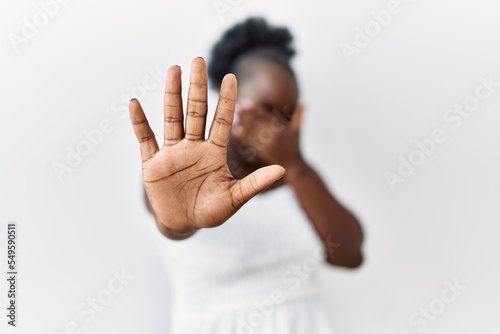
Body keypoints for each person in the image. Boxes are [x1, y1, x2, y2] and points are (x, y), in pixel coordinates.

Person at [129, 17, 364, 334]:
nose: (277, 128)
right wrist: (176, 222)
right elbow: (172, 221)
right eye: (267, 110)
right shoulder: (183, 173)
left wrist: (295, 166)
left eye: (287, 114)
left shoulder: (299, 177)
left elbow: (349, 255)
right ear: (231, 103)